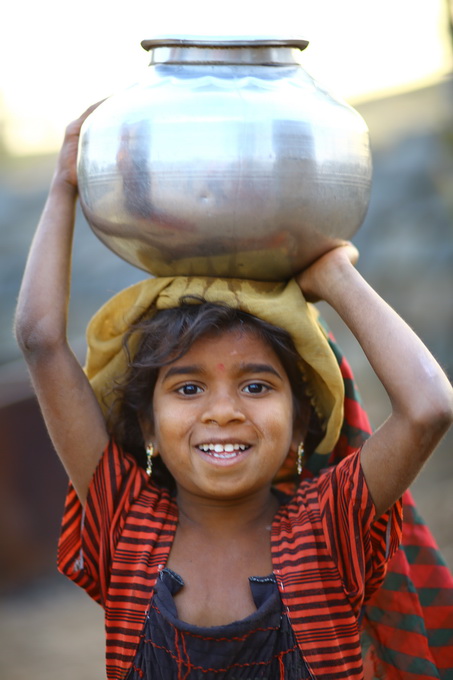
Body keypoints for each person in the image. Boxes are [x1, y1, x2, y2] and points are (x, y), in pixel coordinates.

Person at [15, 106, 453, 680]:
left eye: (255, 385)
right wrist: (65, 187)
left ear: (301, 424)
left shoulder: (328, 530)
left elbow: (430, 408)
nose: (223, 411)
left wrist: (334, 277)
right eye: (189, 386)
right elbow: (41, 341)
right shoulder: (125, 525)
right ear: (147, 424)